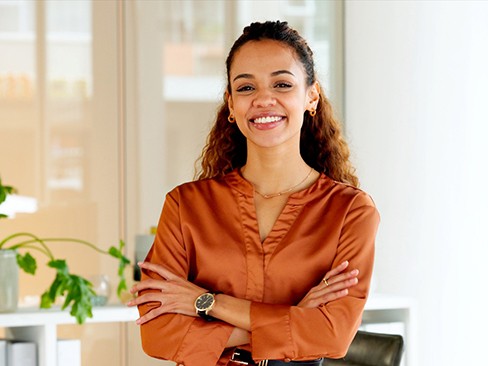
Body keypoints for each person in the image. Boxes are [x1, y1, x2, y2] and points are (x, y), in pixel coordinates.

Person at [127, 21, 379, 366]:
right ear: (231, 105)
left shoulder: (350, 211)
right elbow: (157, 331)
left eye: (282, 83)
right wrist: (292, 319)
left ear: (311, 96)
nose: (263, 99)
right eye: (246, 87)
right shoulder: (185, 205)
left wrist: (208, 303)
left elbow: (333, 335)